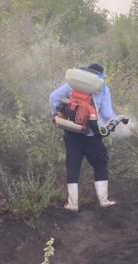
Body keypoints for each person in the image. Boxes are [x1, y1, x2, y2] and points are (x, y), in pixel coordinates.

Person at [49, 63, 118, 211]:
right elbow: (107, 114)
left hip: (72, 132)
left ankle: (72, 204)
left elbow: (53, 96)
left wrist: (56, 114)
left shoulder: (74, 84)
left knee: (73, 167)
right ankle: (104, 201)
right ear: (100, 76)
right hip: (92, 135)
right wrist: (116, 121)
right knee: (100, 165)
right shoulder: (103, 89)